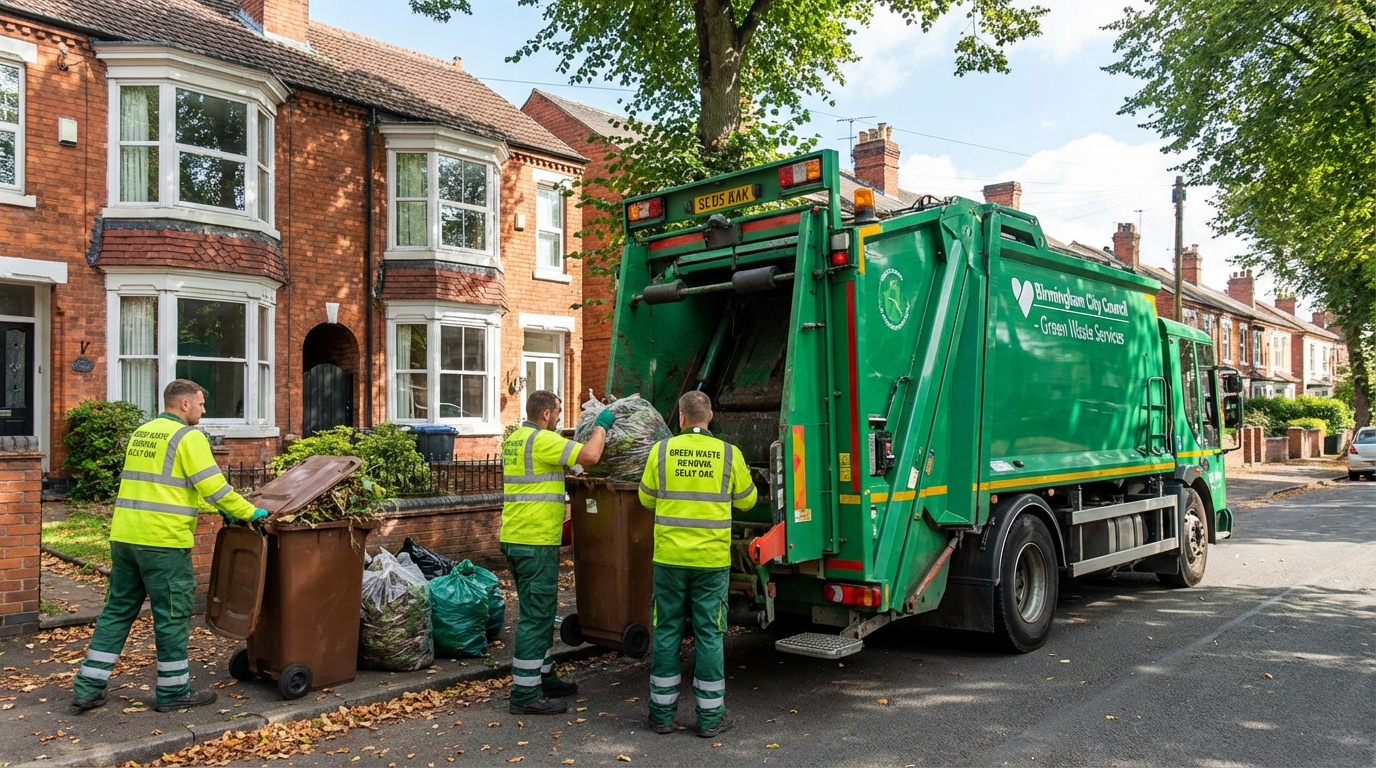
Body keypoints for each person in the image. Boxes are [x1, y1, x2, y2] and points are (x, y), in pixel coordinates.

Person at [73, 379, 268, 713]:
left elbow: (163, 487)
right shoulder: (188, 437)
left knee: (117, 611)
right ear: (184, 405)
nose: (204, 410)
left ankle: (88, 687)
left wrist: (219, 507)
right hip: (162, 543)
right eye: (201, 404)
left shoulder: (142, 433)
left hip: (125, 537)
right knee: (173, 616)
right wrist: (249, 512)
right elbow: (214, 487)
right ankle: (175, 691)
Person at [638, 391, 757, 737]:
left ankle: (661, 716)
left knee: (667, 630)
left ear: (681, 417)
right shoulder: (728, 454)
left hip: (670, 560)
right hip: (710, 561)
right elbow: (748, 501)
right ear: (711, 417)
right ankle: (710, 719)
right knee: (709, 634)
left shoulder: (661, 451)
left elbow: (646, 498)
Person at [502, 390, 613, 715]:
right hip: (534, 542)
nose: (561, 417)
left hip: (515, 537)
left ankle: (544, 676)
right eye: (559, 411)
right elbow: (591, 455)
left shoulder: (515, 439)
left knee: (538, 612)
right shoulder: (542, 440)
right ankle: (525, 693)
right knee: (536, 617)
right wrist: (601, 425)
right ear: (546, 414)